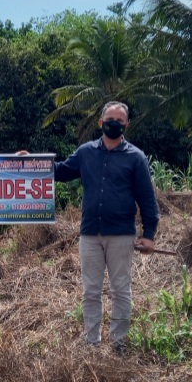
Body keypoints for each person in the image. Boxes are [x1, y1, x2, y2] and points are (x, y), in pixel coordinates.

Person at [54, 101, 159, 354]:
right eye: (109, 119)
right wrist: (31, 163)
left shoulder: (136, 157)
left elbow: (147, 198)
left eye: (119, 121)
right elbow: (61, 172)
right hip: (90, 234)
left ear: (126, 125)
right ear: (100, 123)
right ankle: (91, 344)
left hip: (121, 235)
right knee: (91, 292)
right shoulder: (86, 152)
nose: (114, 124)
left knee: (120, 291)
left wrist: (149, 235)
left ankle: (118, 343)